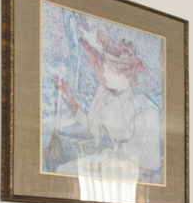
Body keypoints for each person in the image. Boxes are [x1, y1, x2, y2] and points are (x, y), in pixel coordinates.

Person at [55, 28, 165, 185]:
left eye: (111, 67)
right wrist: (68, 97)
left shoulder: (144, 106)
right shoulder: (104, 95)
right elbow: (91, 125)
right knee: (63, 172)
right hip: (114, 163)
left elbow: (148, 164)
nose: (105, 73)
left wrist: (109, 164)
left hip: (136, 173)